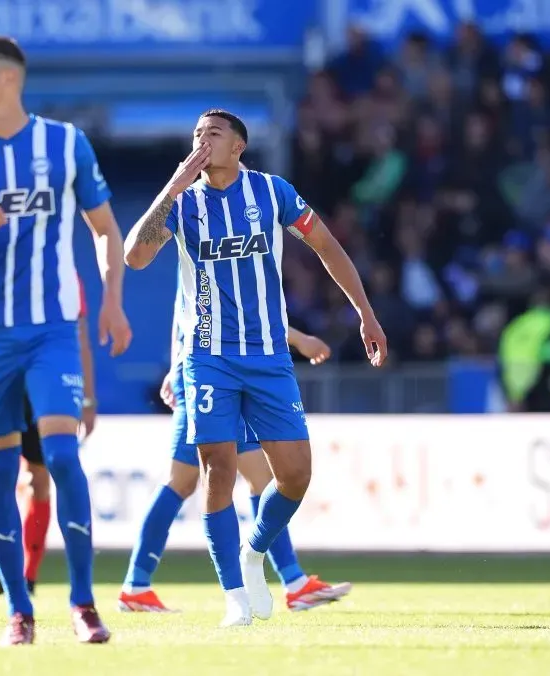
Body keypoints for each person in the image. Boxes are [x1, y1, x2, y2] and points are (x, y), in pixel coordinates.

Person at [123, 109, 386, 627]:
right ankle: (235, 597)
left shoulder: (272, 193)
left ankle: (255, 551)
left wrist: (365, 313)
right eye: (196, 133)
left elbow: (327, 246)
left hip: (267, 357)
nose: (202, 141)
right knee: (213, 472)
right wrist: (173, 187)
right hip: (206, 358)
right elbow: (134, 256)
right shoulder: (184, 204)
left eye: (213, 134)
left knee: (293, 476)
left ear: (238, 146)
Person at [0, 35, 132, 646]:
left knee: (62, 457)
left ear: (9, 79)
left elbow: (104, 229)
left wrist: (112, 301)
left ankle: (85, 603)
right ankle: (19, 611)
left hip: (52, 330)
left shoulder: (65, 145)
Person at [119, 281, 351, 612]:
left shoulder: (201, 249)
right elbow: (238, 316)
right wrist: (300, 340)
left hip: (211, 371)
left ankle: (294, 582)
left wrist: (173, 364)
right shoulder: (218, 242)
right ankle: (136, 585)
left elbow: (184, 309)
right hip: (207, 375)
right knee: (182, 481)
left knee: (259, 479)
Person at [0, 275, 97, 596]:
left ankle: (29, 573)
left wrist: (87, 398)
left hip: (42, 384)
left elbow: (80, 338)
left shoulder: (65, 274)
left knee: (38, 479)